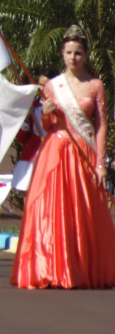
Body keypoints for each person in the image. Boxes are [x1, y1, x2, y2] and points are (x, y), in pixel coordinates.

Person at [11, 26, 115, 289]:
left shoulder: (96, 86)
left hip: (84, 153)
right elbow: (47, 126)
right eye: (68, 52)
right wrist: (45, 113)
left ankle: (80, 269)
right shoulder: (53, 86)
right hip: (56, 153)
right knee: (51, 211)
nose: (73, 57)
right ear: (62, 54)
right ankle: (51, 267)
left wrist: (100, 163)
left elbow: (101, 126)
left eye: (78, 52)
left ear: (87, 54)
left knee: (83, 213)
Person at [11, 66, 59, 193]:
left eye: (46, 85)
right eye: (40, 85)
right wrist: (26, 119)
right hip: (32, 157)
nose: (42, 89)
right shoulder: (32, 106)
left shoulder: (60, 108)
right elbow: (20, 139)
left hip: (52, 156)